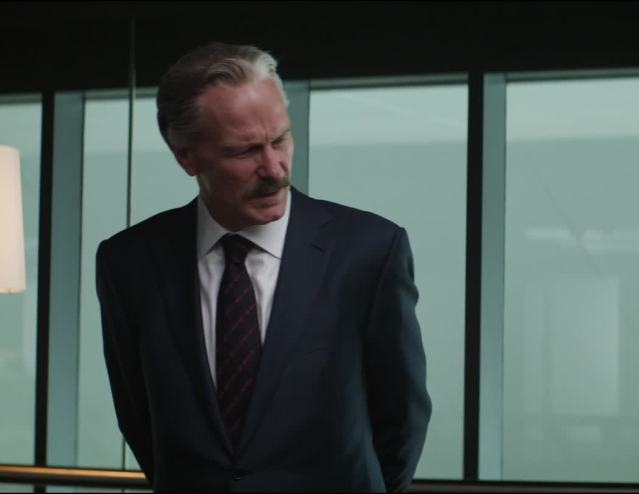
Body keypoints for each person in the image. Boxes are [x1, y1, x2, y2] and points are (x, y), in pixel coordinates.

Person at [96, 42, 431, 492]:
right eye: (245, 151)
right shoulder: (129, 261)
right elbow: (137, 413)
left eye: (280, 140)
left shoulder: (369, 250)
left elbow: (402, 416)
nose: (274, 169)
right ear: (186, 156)